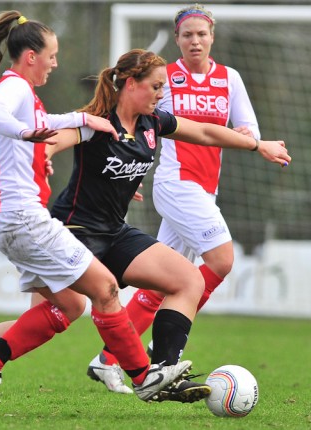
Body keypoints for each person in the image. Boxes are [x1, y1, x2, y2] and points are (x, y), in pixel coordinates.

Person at [0, 11, 195, 415]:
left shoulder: (27, 95)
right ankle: (144, 377)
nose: (55, 63)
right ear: (31, 55)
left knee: (66, 307)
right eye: (51, 55)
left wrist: (79, 121)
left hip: (11, 216)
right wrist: (28, 134)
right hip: (21, 216)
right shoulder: (14, 87)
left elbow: (46, 125)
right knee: (105, 290)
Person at [85, 3, 290, 394]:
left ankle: (108, 358)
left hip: (206, 187)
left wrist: (255, 140)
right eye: (187, 35)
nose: (195, 40)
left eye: (202, 34)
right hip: (177, 184)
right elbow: (132, 120)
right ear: (177, 40)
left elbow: (247, 128)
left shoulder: (229, 79)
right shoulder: (165, 79)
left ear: (212, 37)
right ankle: (167, 354)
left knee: (162, 284)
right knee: (221, 259)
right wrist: (125, 169)